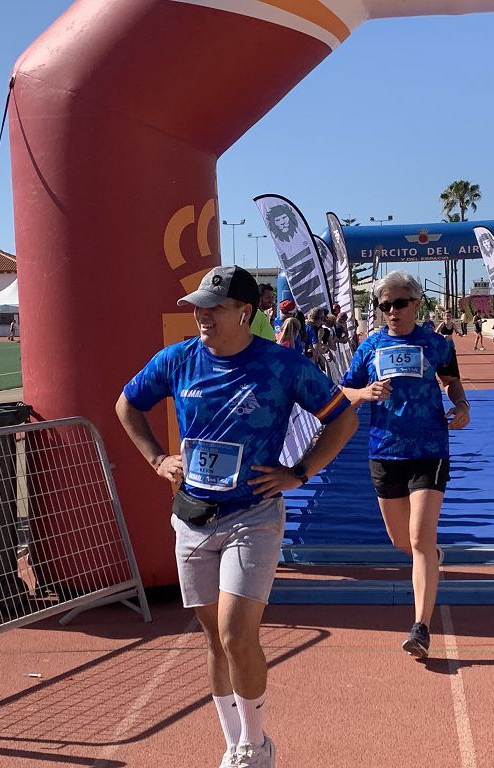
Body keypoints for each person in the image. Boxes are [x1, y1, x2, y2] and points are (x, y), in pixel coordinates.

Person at [116, 265, 357, 768]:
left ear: (245, 312)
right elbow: (127, 405)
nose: (202, 314)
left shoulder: (281, 365)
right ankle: (232, 743)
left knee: (234, 633)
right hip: (192, 516)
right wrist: (157, 458)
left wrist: (300, 471)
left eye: (215, 306)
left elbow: (343, 416)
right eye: (199, 306)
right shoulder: (177, 360)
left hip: (254, 513)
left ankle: (256, 741)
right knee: (213, 637)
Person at [340, 272, 470, 659]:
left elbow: (450, 379)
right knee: (403, 542)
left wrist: (461, 404)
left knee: (418, 538)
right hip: (384, 449)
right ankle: (431, 556)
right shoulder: (370, 347)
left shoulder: (436, 343)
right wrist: (364, 393)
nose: (391, 311)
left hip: (429, 447)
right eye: (384, 306)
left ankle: (420, 628)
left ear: (416, 304)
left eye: (398, 303)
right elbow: (344, 391)